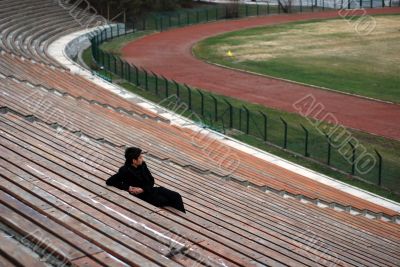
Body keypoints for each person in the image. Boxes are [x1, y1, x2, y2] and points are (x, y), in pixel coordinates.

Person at [106, 147, 186, 213]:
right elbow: (110, 181)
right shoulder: (125, 170)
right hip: (143, 196)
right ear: (134, 161)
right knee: (164, 200)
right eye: (140, 157)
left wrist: (143, 189)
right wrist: (128, 188)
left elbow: (151, 180)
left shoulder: (143, 165)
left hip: (149, 189)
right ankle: (181, 218)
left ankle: (183, 216)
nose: (142, 159)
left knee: (176, 196)